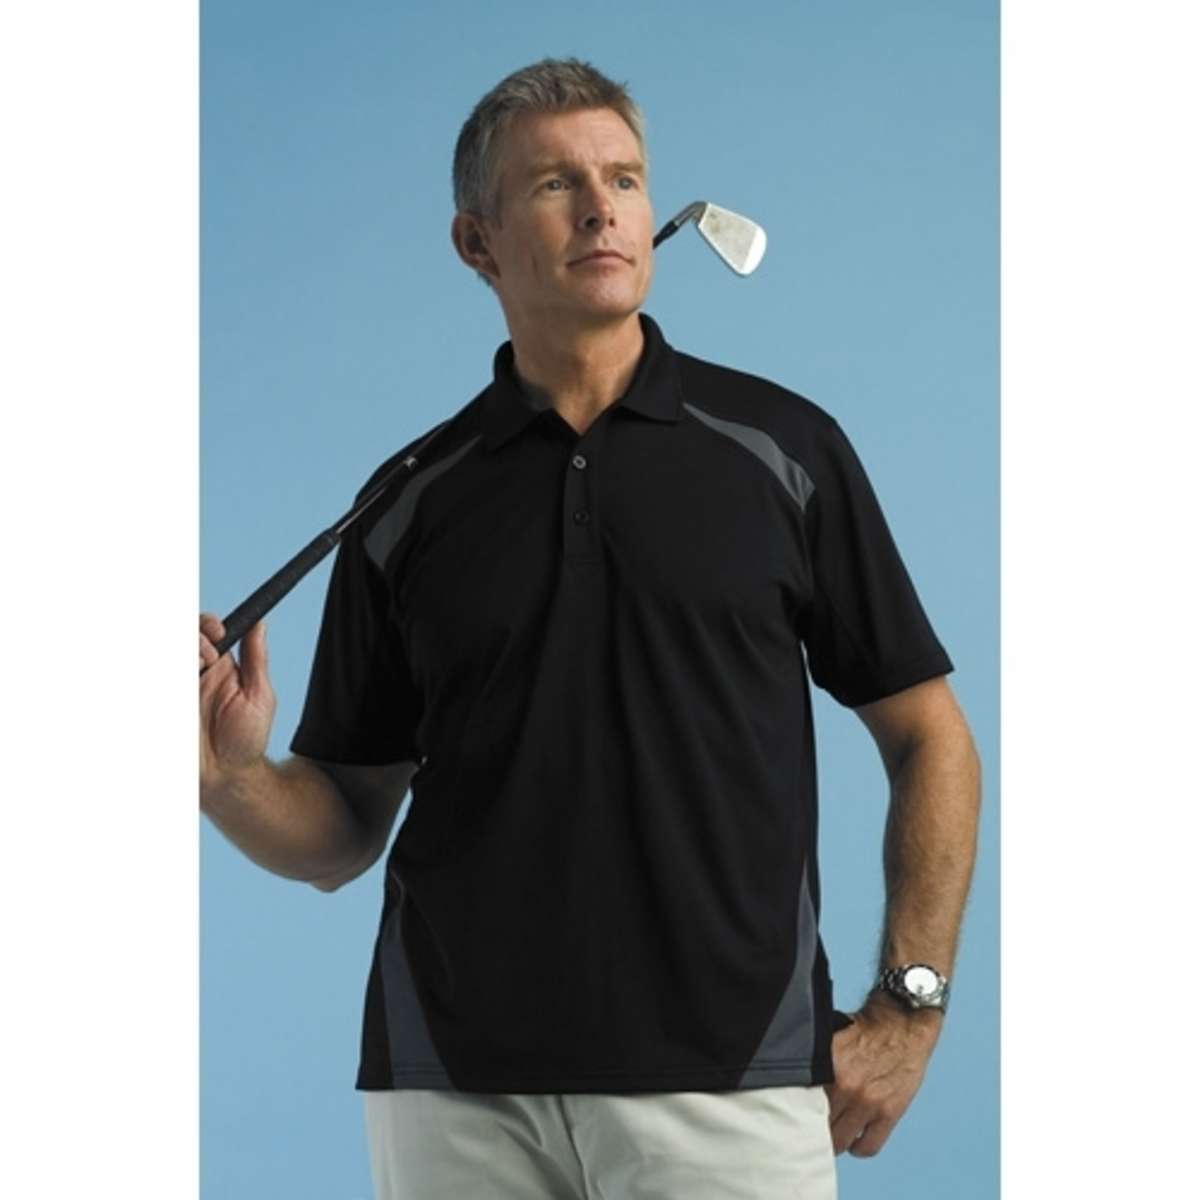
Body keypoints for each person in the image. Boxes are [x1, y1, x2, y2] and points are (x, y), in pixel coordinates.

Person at [199, 56, 981, 1200]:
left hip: (734, 1079)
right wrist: (226, 778)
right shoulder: (406, 502)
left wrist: (910, 1008)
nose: (602, 207)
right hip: (451, 1092)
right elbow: (342, 829)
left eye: (623, 177)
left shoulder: (786, 452)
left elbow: (931, 737)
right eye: (556, 183)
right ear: (477, 243)